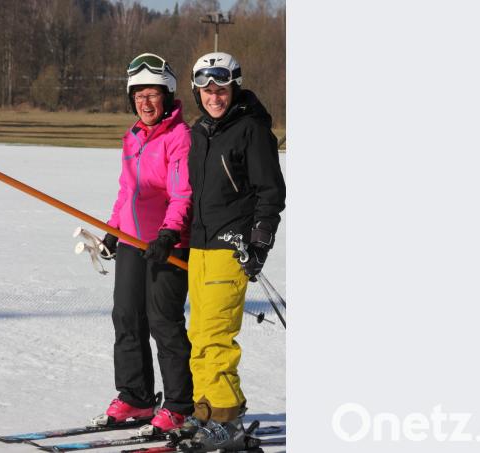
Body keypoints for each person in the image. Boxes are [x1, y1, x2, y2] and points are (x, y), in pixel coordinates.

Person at [177, 52, 286, 451]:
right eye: (206, 90)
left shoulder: (249, 130)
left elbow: (271, 192)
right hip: (200, 248)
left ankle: (228, 422)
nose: (214, 96)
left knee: (217, 335)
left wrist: (259, 242)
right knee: (199, 335)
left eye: (221, 89)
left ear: (233, 87)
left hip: (230, 247)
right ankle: (207, 412)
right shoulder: (202, 131)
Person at [90, 53, 194, 435]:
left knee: (164, 324)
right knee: (127, 318)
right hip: (133, 242)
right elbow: (126, 191)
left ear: (166, 96)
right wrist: (113, 230)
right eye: (138, 96)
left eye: (152, 95)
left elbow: (182, 194)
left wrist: (168, 235)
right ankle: (136, 397)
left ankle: (180, 406)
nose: (145, 103)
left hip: (167, 244)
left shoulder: (179, 137)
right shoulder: (132, 136)